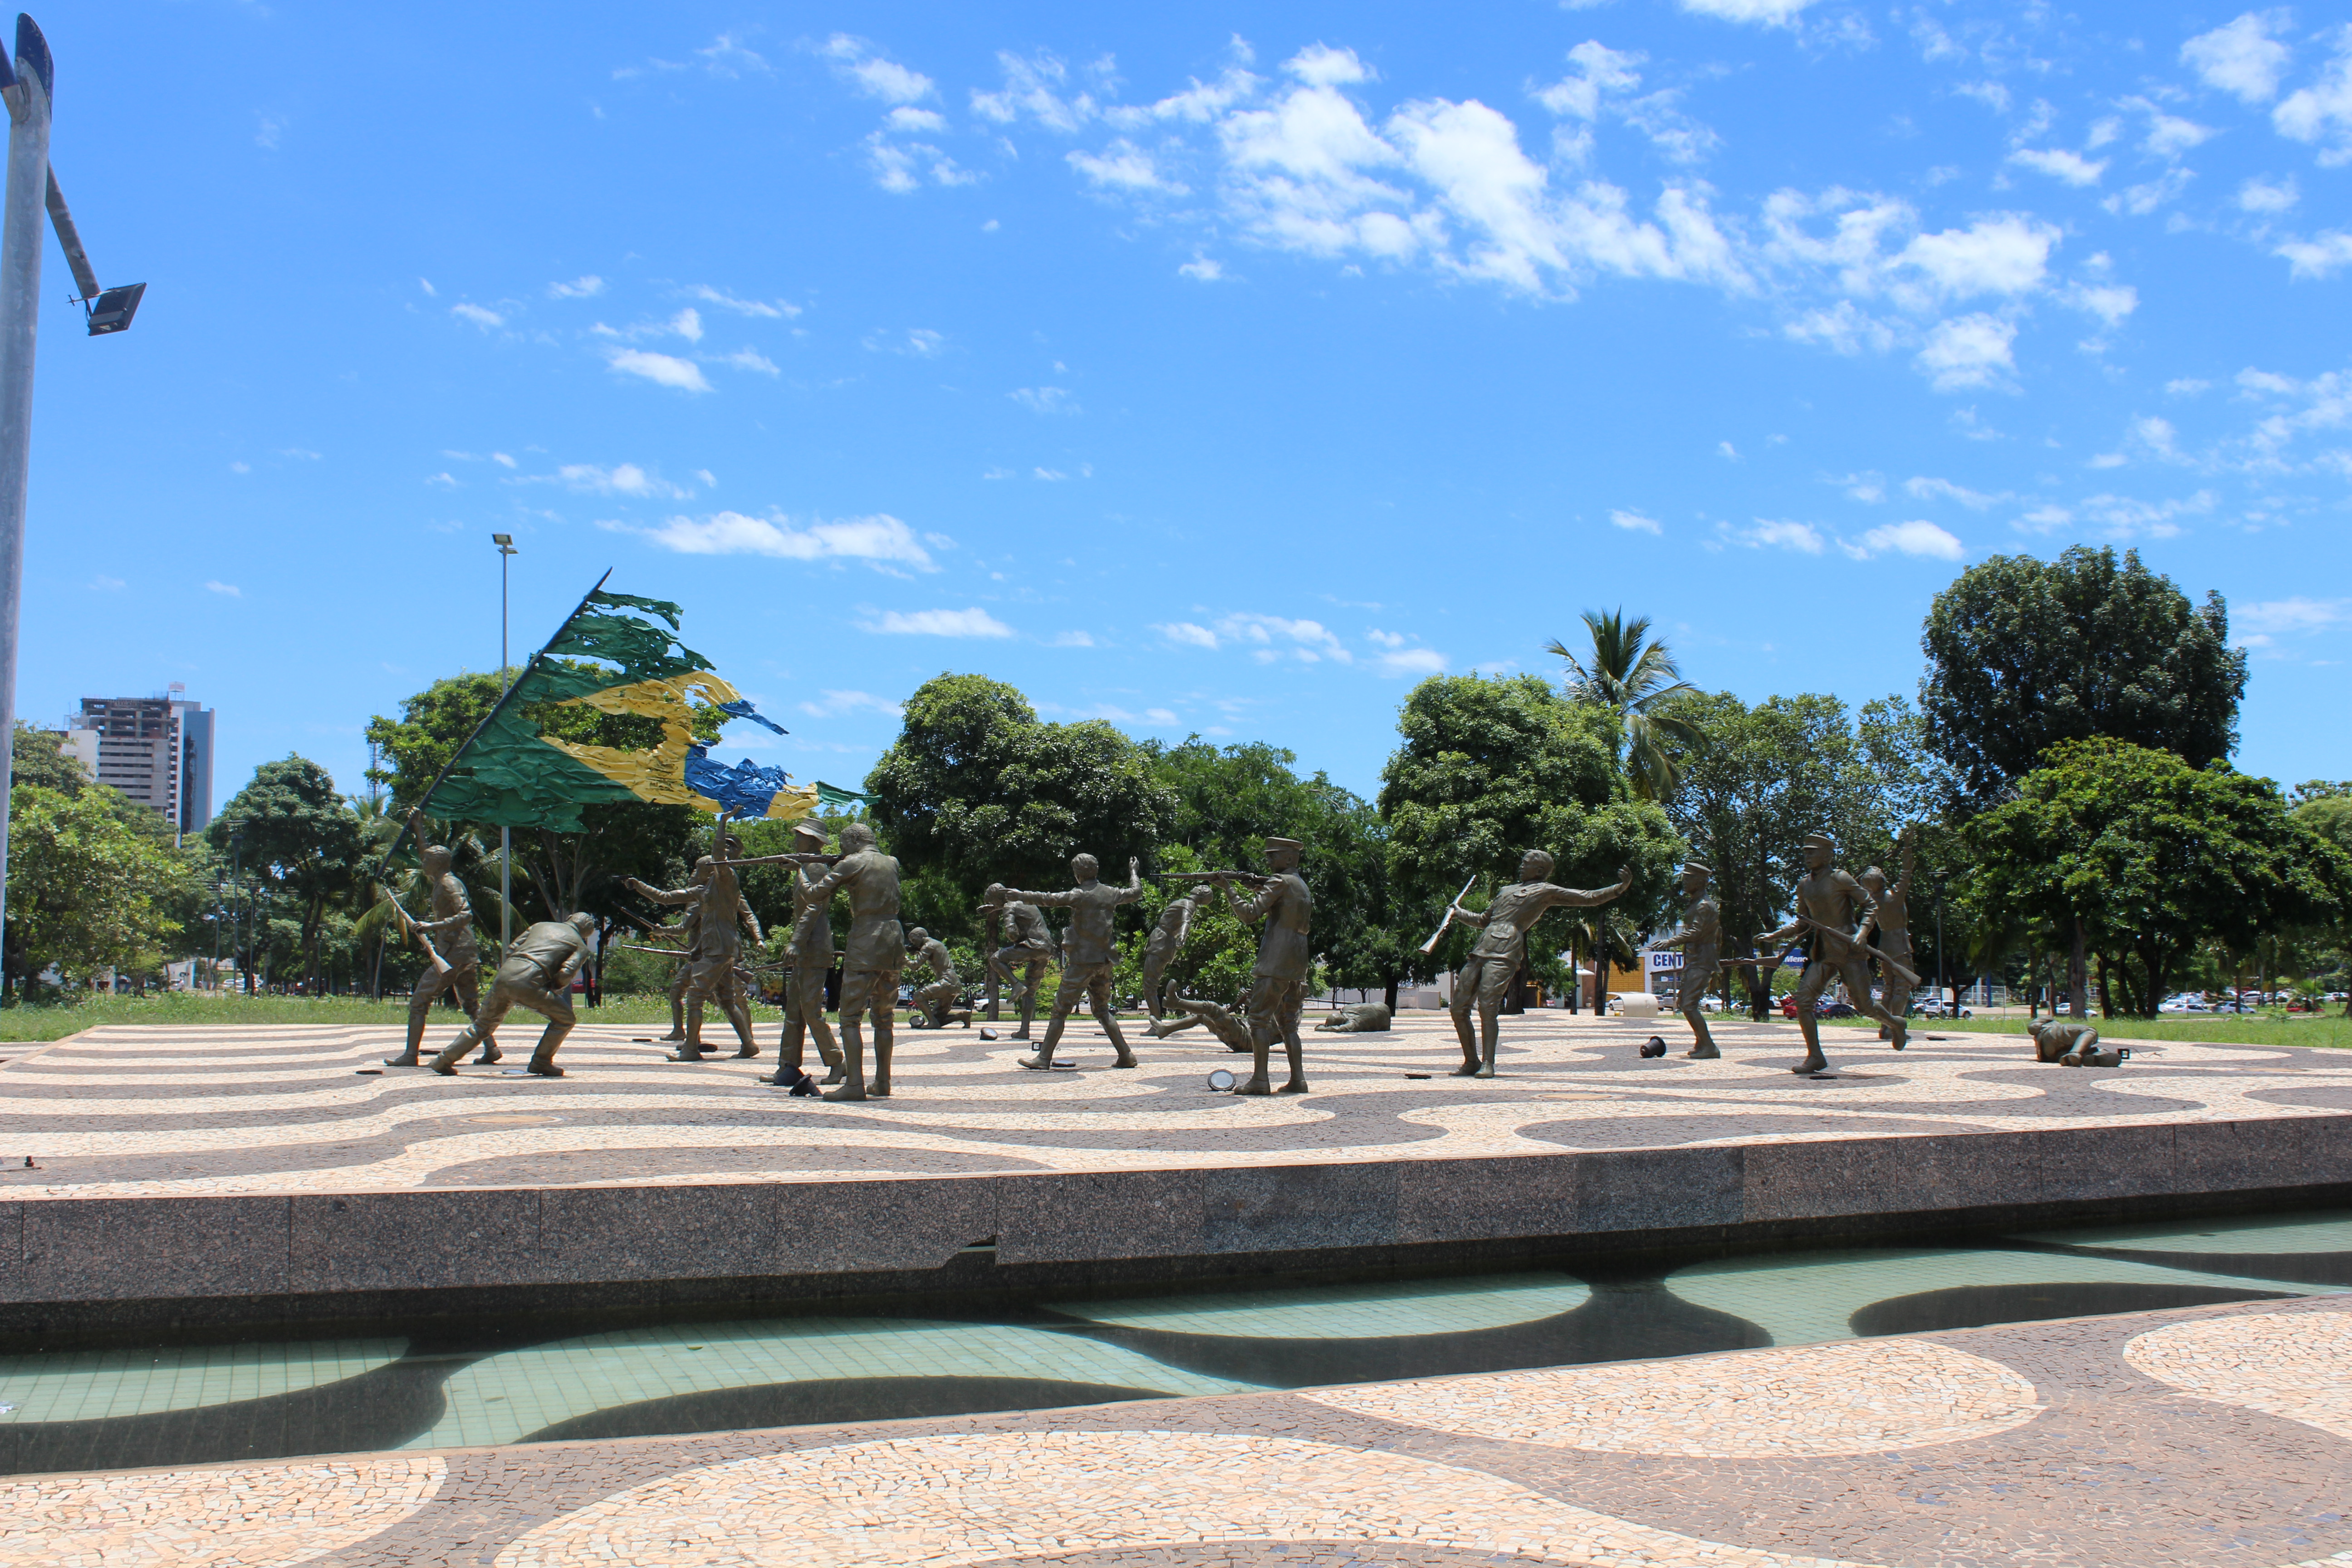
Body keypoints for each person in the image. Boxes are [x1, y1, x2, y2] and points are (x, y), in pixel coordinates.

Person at [1447, 853, 1631, 1078]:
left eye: (1526, 864)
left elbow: (1587, 897)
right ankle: (1471, 1061)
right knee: (1458, 1008)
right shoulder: (1506, 890)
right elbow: (1483, 920)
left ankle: (1488, 1063)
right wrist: (1459, 913)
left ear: (1540, 871)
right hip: (1481, 947)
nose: (1521, 866)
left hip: (1506, 948)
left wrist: (1618, 889)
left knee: (1488, 1006)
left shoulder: (1545, 891)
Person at [1757, 832, 1909, 1076]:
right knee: (1803, 1002)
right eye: (1806, 852)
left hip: (1849, 950)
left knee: (1865, 1006)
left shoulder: (1840, 878)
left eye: (1813, 852)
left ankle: (1895, 1023)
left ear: (1828, 856)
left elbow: (1870, 905)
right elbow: (1803, 922)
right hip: (1824, 953)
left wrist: (1862, 933)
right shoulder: (1804, 884)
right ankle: (1815, 1056)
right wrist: (1776, 935)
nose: (1807, 856)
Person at [989, 854, 1143, 1071]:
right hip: (1104, 961)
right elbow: (1136, 892)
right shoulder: (1111, 893)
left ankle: (1043, 1059)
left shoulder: (1078, 895)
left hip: (1082, 962)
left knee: (1060, 1011)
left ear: (1078, 874)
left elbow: (1049, 899)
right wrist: (1134, 872)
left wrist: (1021, 895)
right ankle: (1126, 1055)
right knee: (1102, 1010)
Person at [792, 821, 903, 1101]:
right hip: (893, 941)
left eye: (843, 846)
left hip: (867, 940)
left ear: (854, 841)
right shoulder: (892, 862)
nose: (842, 851)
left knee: (850, 1018)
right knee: (884, 1018)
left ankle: (854, 1084)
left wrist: (798, 870)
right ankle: (883, 1082)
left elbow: (813, 894)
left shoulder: (852, 862)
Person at [627, 847, 763, 1062]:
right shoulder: (702, 892)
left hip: (716, 951)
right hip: (723, 951)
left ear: (709, 872)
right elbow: (666, 898)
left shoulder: (725, 890)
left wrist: (759, 938)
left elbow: (747, 914)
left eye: (698, 870)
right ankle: (749, 1044)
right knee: (727, 1000)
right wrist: (639, 886)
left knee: (695, 997)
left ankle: (690, 1050)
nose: (695, 874)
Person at [385, 811, 496, 1067]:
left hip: (454, 951)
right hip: (464, 951)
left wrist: (431, 926)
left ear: (436, 865)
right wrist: (418, 826)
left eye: (426, 862)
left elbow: (466, 914)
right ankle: (492, 1049)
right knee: (471, 1005)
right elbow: (427, 852)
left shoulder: (449, 884)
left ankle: (410, 1056)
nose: (422, 864)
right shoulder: (441, 878)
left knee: (419, 1000)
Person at [429, 912, 598, 1077]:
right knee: (565, 1020)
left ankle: (443, 1060)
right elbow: (566, 973)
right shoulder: (580, 947)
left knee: (483, 1025)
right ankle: (541, 1061)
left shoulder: (540, 926)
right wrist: (554, 987)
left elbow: (512, 949)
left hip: (505, 976)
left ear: (569, 919)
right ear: (586, 933)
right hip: (530, 981)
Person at [1216, 837, 1314, 1095]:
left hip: (1275, 962)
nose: (1268, 860)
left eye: (1273, 855)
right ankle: (1298, 1080)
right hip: (1297, 963)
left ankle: (1260, 1080)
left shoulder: (1279, 881)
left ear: (1290, 858)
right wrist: (1259, 888)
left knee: (1258, 1020)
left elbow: (1249, 915)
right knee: (1289, 1025)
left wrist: (1228, 889)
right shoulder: (1300, 884)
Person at [767, 820, 845, 1087]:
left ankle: (837, 1062)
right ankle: (787, 1066)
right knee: (794, 1013)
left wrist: (796, 942)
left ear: (812, 840)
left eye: (800, 836)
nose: (795, 840)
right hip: (806, 949)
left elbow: (814, 905)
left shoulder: (815, 867)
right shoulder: (807, 865)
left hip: (815, 947)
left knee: (811, 1011)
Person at [1649, 860, 1722, 1059]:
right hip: (1694, 959)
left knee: (1689, 1004)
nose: (1684, 883)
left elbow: (1696, 932)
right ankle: (1702, 1043)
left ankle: (1709, 1047)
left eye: (1688, 879)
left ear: (1699, 882)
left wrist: (1670, 942)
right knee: (1684, 1001)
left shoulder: (1704, 906)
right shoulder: (1697, 903)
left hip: (1702, 960)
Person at [1859, 830, 1916, 1039]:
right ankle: (1895, 1027)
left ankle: (1885, 1027)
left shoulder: (1872, 903)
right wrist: (1907, 846)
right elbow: (1906, 871)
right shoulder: (1895, 896)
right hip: (1899, 946)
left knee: (1889, 988)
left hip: (1884, 947)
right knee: (1902, 988)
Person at [981, 887, 1054, 1039]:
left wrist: (1019, 941)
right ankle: (1024, 1030)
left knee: (996, 959)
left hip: (1032, 946)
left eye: (993, 901)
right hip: (1046, 949)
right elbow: (1018, 910)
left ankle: (1016, 985)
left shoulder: (1009, 906)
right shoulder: (1023, 900)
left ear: (998, 898)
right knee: (1030, 992)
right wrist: (994, 908)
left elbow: (1011, 933)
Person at [1138, 895, 1196, 1020]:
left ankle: (1156, 1023)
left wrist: (1183, 935)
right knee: (1150, 986)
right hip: (1162, 941)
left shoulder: (1188, 904)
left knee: (1149, 986)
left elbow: (1186, 921)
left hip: (1162, 942)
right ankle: (1156, 1021)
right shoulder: (1186, 902)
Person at [906, 926, 970, 1028]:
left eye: (914, 940)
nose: (913, 943)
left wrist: (903, 959)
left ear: (921, 936)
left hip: (947, 982)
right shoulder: (936, 943)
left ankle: (933, 1023)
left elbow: (915, 966)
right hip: (954, 983)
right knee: (938, 1019)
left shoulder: (928, 946)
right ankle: (963, 1016)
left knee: (919, 996)